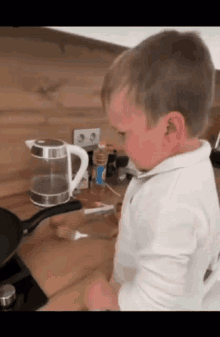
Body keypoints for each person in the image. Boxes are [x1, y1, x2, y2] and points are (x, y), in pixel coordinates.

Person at [84, 29, 220, 311]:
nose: (121, 144)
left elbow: (157, 303)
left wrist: (106, 299)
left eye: (123, 133)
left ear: (170, 128)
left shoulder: (171, 203)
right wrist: (134, 225)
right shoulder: (191, 163)